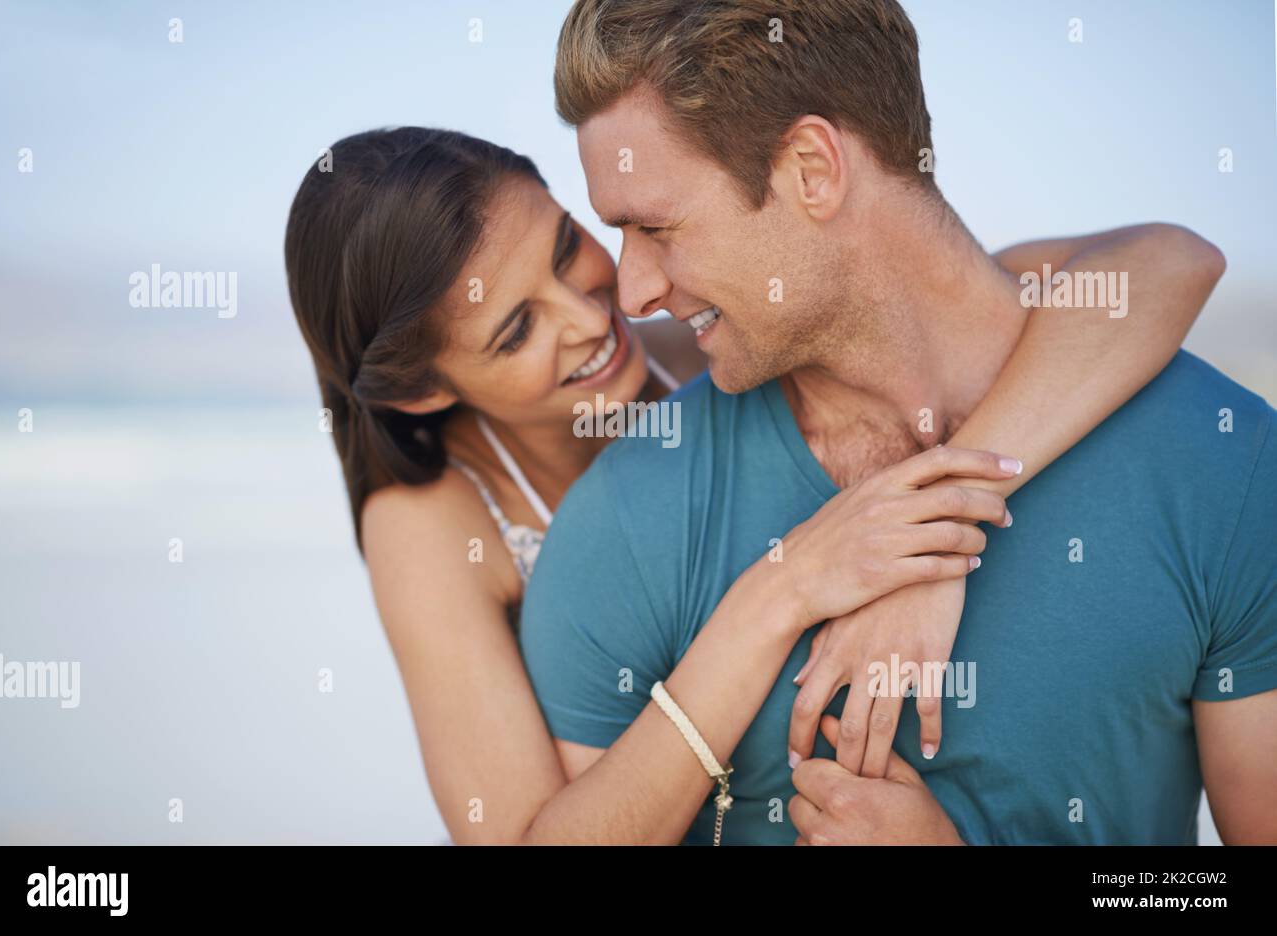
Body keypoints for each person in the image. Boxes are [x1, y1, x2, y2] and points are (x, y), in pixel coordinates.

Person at [285, 126, 1220, 844]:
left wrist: (951, 522)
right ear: (421, 389)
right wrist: (781, 589)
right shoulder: (428, 525)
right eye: (514, 331)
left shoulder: (712, 329)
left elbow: (1169, 262)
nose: (590, 315)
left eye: (566, 247)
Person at [519, 0, 1277, 845]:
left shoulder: (1223, 461)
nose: (632, 294)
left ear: (813, 167)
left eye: (655, 228)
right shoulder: (626, 513)